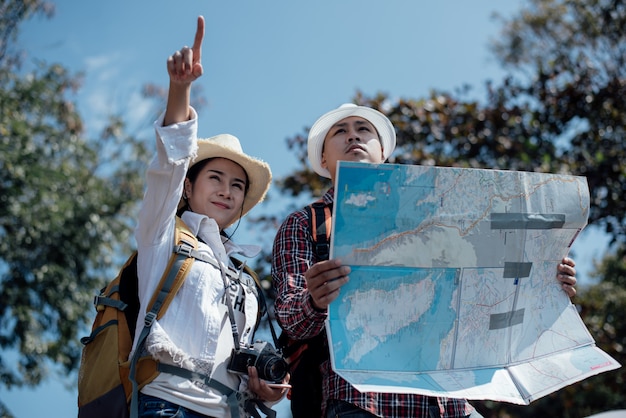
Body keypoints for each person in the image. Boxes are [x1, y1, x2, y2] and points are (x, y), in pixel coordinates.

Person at [271, 103, 579, 418]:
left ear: (383, 153)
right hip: (361, 403)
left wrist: (546, 286)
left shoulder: (437, 215)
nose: (353, 137)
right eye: (340, 132)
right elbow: (291, 318)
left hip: (450, 402)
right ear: (323, 159)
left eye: (363, 130)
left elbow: (486, 301)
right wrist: (316, 301)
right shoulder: (305, 224)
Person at [131, 16, 289, 418]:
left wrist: (263, 388)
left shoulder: (246, 278)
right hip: (167, 404)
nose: (226, 190)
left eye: (237, 185)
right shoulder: (162, 237)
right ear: (188, 187)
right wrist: (180, 89)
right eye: (215, 177)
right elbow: (168, 167)